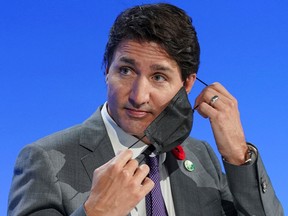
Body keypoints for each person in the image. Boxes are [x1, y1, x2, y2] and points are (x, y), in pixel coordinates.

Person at [8, 3, 283, 216]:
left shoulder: (202, 158)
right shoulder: (44, 160)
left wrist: (238, 156)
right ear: (106, 70)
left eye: (158, 77)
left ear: (187, 84)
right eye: (125, 70)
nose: (138, 96)